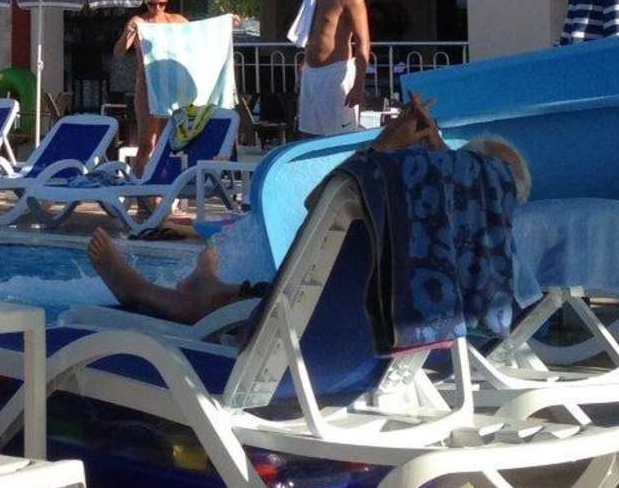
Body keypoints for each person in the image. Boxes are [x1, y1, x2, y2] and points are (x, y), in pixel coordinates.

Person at [86, 96, 527, 326]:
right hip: (383, 325)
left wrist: (385, 144)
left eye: (457, 164)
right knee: (250, 289)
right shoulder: (486, 242)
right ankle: (203, 287)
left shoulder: (422, 224)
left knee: (246, 301)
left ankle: (145, 292)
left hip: (332, 324)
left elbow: (323, 202)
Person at [289, 0, 371, 138]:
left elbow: (363, 41)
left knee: (338, 139)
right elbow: (313, 32)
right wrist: (305, 63)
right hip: (311, 74)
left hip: (335, 74)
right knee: (308, 137)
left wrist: (358, 85)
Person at [112, 0, 187, 162]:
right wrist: (128, 32)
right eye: (152, 4)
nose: (157, 8)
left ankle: (160, 179)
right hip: (147, 87)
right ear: (146, 1)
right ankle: (139, 179)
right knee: (146, 144)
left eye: (162, 4)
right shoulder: (140, 21)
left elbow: (202, 33)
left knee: (166, 142)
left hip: (171, 87)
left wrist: (227, 23)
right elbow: (119, 51)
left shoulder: (176, 21)